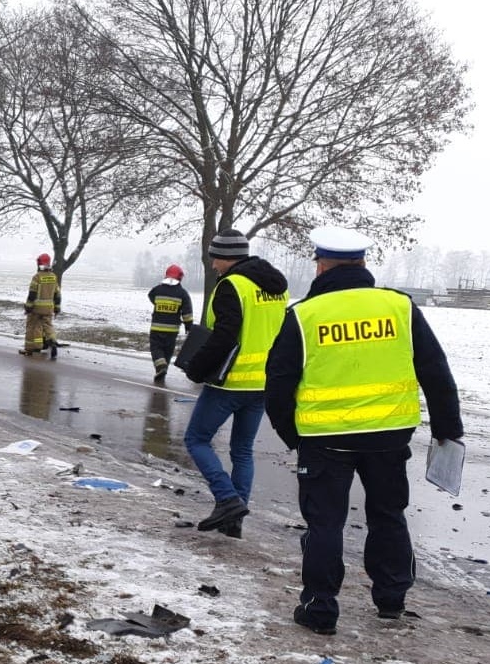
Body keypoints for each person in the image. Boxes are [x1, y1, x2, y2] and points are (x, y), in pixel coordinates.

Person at [264, 226, 463, 636]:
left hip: (324, 441)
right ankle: (391, 600)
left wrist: (293, 436)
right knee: (388, 515)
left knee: (326, 524)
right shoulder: (400, 308)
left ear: (321, 265)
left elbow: (278, 382)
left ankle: (320, 610)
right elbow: (435, 370)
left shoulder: (304, 315)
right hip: (389, 435)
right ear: (363, 263)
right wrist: (447, 428)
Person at [182, 228, 288, 539]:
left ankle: (227, 499)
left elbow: (224, 335)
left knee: (196, 440)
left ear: (227, 257)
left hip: (230, 381)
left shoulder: (232, 286)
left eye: (215, 258)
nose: (213, 265)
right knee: (242, 450)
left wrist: (196, 369)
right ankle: (234, 520)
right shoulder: (276, 288)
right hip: (263, 382)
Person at [148, 264, 195, 382]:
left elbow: (151, 295)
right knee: (168, 351)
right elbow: (187, 314)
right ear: (179, 278)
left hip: (156, 328)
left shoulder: (157, 289)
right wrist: (189, 328)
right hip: (172, 330)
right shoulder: (182, 293)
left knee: (156, 349)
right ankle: (163, 370)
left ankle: (160, 367)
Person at [20, 253, 61, 358]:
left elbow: (32, 294)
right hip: (49, 308)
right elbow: (57, 294)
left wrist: (28, 307)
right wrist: (57, 308)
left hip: (36, 309)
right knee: (48, 326)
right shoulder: (53, 277)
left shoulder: (37, 277)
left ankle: (31, 348)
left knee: (33, 327)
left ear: (39, 263)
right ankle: (52, 341)